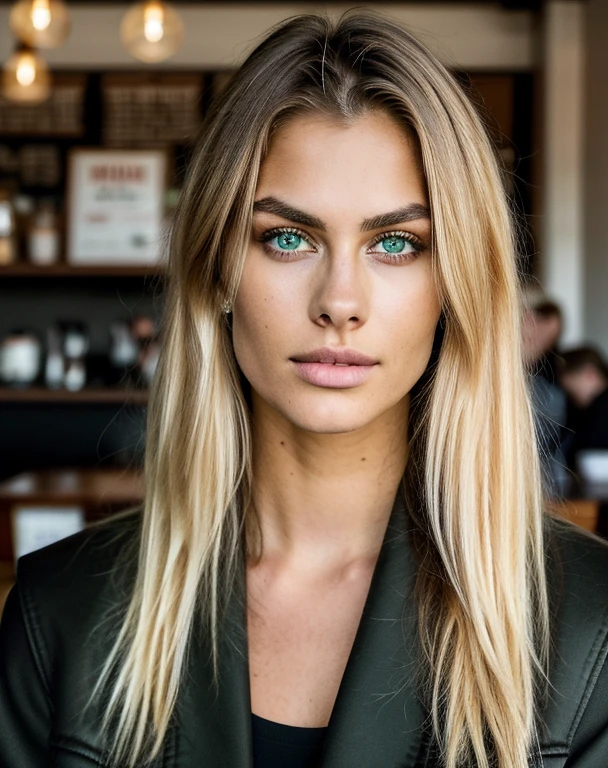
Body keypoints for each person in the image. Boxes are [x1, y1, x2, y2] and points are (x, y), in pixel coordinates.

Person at [2, 11, 608, 768]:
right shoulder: (59, 612)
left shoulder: (589, 629)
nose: (339, 300)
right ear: (219, 269)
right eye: (287, 237)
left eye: (396, 243)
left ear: (453, 285)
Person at [559, 346, 608, 473]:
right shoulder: (589, 409)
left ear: (590, 374)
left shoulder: (599, 409)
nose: (571, 397)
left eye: (572, 391)